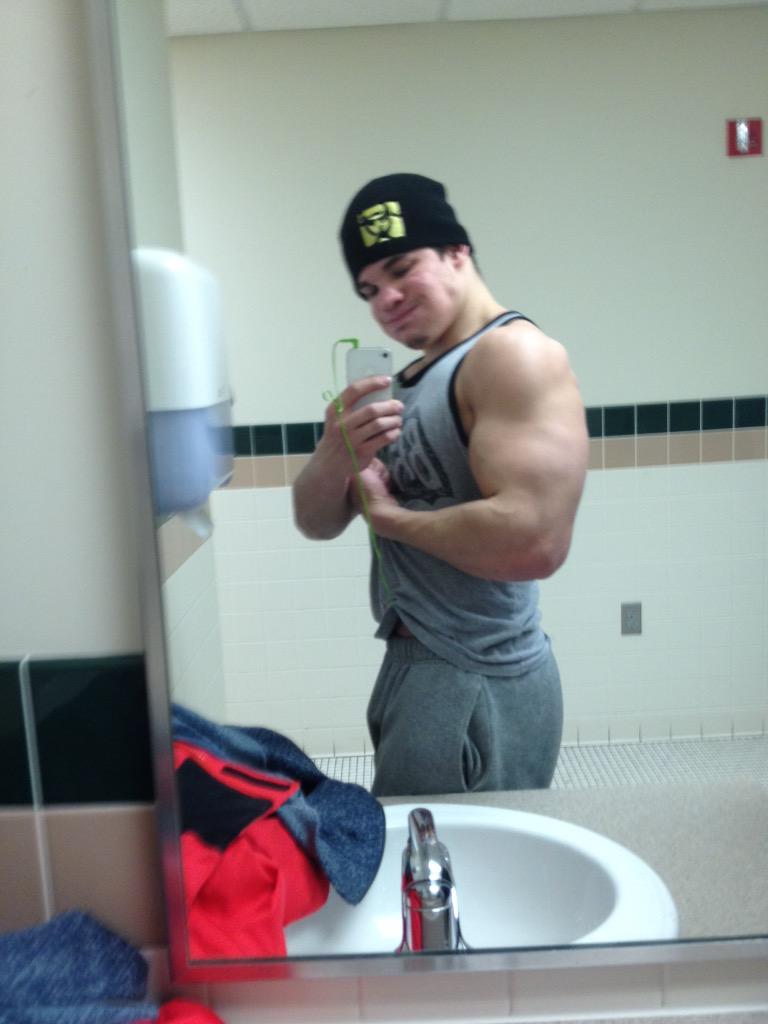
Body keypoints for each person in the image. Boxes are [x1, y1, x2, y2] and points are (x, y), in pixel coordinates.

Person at [293, 173, 588, 797]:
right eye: (370, 289)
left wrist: (391, 520)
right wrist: (333, 452)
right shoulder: (407, 383)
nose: (387, 298)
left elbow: (534, 542)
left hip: (475, 670)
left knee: (452, 857)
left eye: (403, 269)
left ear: (458, 252)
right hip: (423, 665)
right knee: (428, 853)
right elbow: (315, 521)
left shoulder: (511, 355)